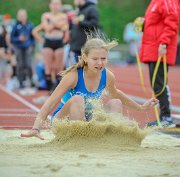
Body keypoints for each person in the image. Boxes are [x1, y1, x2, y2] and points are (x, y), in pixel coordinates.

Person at [21, 36, 158, 140]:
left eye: (103, 58)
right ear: (85, 58)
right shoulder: (73, 76)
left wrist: (141, 107)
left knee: (115, 103)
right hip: (64, 122)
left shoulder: (108, 75)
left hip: (88, 120)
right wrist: (36, 128)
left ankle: (111, 138)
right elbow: (51, 102)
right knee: (77, 99)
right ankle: (81, 140)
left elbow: (116, 94)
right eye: (95, 59)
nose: (100, 63)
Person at [135, 0, 180, 127]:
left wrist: (164, 43)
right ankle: (164, 116)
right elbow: (156, 24)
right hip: (152, 49)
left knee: (160, 83)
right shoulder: (156, 2)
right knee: (157, 84)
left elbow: (172, 22)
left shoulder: (168, 1)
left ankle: (166, 117)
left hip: (159, 49)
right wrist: (143, 23)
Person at [32, 0, 69, 93]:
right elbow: (47, 29)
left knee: (58, 67)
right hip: (48, 42)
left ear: (60, 6)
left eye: (57, 4)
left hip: (59, 42)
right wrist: (57, 24)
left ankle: (57, 88)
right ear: (50, 5)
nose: (55, 6)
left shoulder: (63, 16)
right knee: (48, 67)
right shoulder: (45, 15)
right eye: (54, 4)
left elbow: (64, 28)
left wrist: (52, 21)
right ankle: (50, 88)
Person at [10, 9, 35, 89]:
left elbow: (33, 37)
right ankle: (21, 82)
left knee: (28, 64)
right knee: (20, 65)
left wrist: (32, 45)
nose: (21, 17)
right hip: (18, 47)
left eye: (23, 15)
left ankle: (31, 81)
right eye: (20, 15)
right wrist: (18, 39)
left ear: (26, 16)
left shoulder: (30, 25)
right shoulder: (15, 25)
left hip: (28, 47)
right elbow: (12, 38)